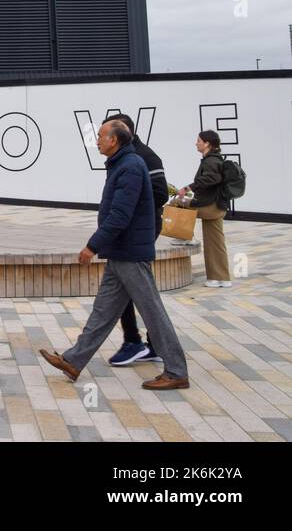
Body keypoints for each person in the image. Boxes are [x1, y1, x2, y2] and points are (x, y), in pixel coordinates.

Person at [39, 120, 189, 390]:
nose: (96, 140)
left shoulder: (130, 167)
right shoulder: (121, 164)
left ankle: (176, 371)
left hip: (130, 253)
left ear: (114, 140)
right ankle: (73, 361)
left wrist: (92, 246)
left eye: (100, 136)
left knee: (152, 311)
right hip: (120, 252)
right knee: (103, 312)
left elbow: (120, 215)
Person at [104, 113, 169, 367]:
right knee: (135, 288)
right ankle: (145, 343)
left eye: (105, 134)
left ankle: (137, 342)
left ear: (122, 132)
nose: (100, 140)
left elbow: (160, 193)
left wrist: (130, 210)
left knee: (137, 288)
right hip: (127, 231)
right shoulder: (121, 158)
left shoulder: (145, 157)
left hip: (139, 230)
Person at [177, 130, 233, 289]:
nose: (196, 143)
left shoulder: (210, 161)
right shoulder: (215, 159)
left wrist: (188, 187)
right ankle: (220, 278)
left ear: (207, 143)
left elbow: (211, 178)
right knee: (215, 243)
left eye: (199, 140)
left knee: (177, 203)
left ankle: (187, 236)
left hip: (209, 206)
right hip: (217, 206)